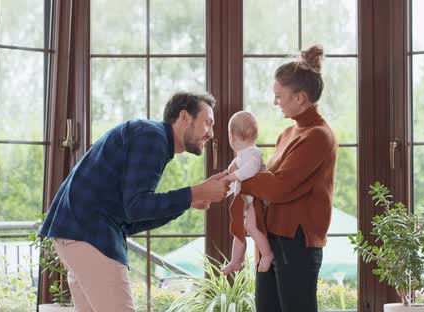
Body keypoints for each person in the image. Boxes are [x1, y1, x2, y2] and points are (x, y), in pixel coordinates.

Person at [39, 92, 230, 312]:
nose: (211, 133)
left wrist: (190, 199)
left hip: (76, 231)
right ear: (184, 117)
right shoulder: (153, 138)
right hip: (89, 232)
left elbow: (132, 216)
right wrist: (194, 193)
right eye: (208, 123)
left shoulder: (150, 137)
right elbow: (137, 207)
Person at [239, 44, 338, 312]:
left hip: (296, 242)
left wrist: (237, 180)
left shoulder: (318, 136)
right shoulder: (288, 134)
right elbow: (266, 180)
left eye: (278, 95)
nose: (275, 102)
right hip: (272, 239)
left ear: (300, 97)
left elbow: (278, 187)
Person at [219, 111, 274, 275]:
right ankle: (235, 262)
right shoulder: (243, 155)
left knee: (251, 227)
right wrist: (227, 179)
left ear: (232, 135)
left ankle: (267, 254)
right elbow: (236, 173)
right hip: (244, 200)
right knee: (238, 230)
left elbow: (249, 170)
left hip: (254, 201)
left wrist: (231, 176)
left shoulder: (253, 153)